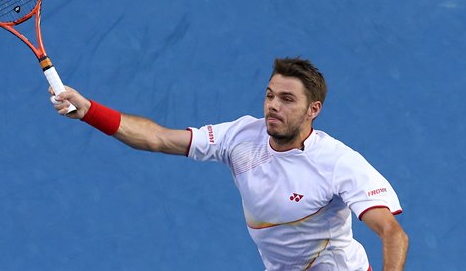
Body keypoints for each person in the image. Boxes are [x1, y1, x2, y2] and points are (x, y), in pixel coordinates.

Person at [50, 56, 408, 271]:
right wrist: (90, 112)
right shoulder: (241, 136)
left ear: (313, 110)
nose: (273, 106)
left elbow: (392, 233)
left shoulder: (338, 162)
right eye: (270, 95)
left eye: (287, 99)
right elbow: (159, 137)